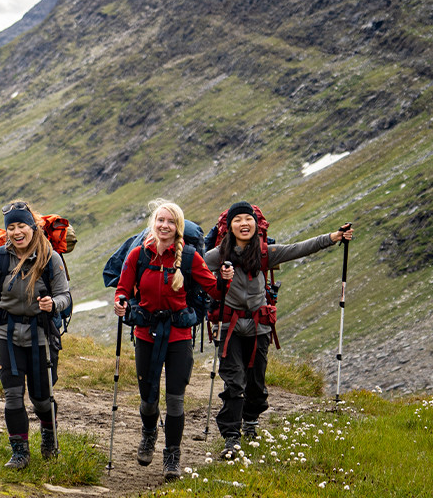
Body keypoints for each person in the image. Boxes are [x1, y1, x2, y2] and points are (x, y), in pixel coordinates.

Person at [203, 201, 354, 458]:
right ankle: (231, 437)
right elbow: (196, 273)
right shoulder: (216, 256)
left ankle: (250, 421)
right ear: (229, 227)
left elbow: (299, 248)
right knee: (234, 383)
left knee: (257, 383)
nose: (244, 224)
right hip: (229, 327)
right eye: (237, 220)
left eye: (247, 219)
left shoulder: (265, 253)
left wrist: (333, 237)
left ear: (255, 224)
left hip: (260, 326)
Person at [114, 200, 233, 482]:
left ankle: (172, 456)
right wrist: (121, 302)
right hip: (146, 334)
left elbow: (215, 292)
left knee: (175, 401)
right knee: (148, 399)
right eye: (160, 220)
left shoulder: (190, 257)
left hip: (179, 336)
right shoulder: (137, 256)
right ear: (153, 224)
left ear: (177, 227)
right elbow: (122, 288)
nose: (164, 226)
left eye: (170, 222)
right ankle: (149, 433)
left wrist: (225, 280)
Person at [0, 200, 71, 469]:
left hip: (41, 336)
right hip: (7, 335)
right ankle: (20, 453)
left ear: (32, 227)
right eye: (12, 228)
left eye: (22, 226)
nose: (17, 232)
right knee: (13, 396)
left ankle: (49, 435)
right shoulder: (1, 257)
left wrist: (53, 305)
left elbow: (65, 295)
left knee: (42, 398)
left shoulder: (50, 258)